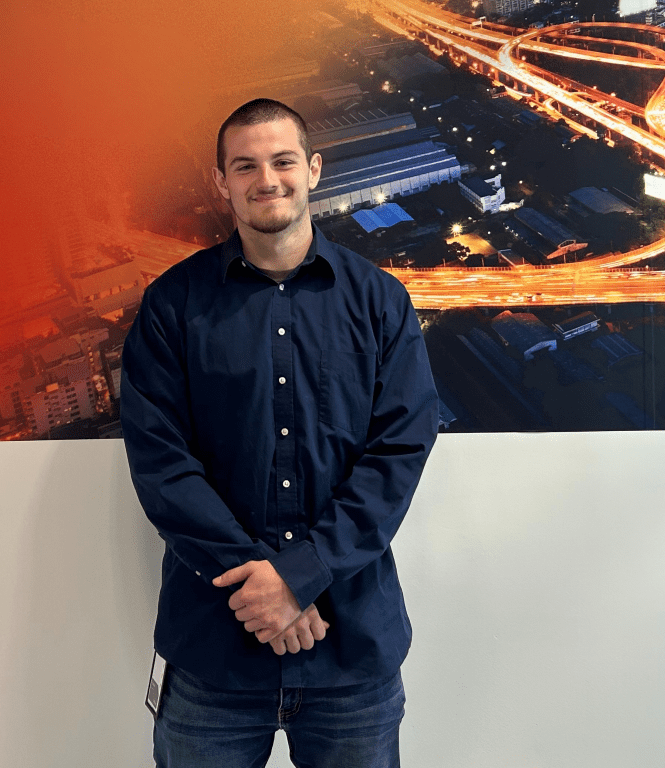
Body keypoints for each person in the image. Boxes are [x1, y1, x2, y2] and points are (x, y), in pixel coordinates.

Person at [120, 98, 439, 768]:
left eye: (283, 160)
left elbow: (400, 452)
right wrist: (267, 588)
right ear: (222, 182)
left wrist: (299, 577)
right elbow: (163, 464)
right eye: (246, 165)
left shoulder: (380, 301)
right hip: (213, 661)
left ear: (314, 169)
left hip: (350, 653)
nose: (267, 178)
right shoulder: (172, 306)